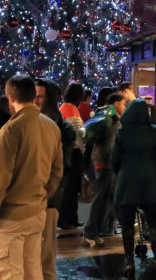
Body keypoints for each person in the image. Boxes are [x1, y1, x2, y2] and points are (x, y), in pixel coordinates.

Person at [0, 74, 63, 280]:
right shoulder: (50, 126)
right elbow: (57, 170)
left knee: (8, 272)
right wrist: (43, 196)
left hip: (9, 218)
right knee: (32, 272)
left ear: (10, 98)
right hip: (36, 213)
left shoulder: (11, 129)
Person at [111, 98, 156, 279]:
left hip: (128, 181)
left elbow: (115, 160)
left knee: (127, 224)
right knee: (153, 221)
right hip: (150, 180)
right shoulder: (154, 132)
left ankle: (129, 262)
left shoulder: (122, 132)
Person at [35, 79, 76, 280]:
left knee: (45, 261)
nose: (34, 101)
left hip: (46, 200)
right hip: (22, 201)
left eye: (39, 96)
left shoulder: (63, 129)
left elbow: (61, 167)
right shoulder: (22, 124)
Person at [82, 93, 126, 247]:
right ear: (115, 103)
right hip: (105, 162)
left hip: (105, 161)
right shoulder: (109, 118)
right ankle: (90, 232)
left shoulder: (108, 117)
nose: (124, 107)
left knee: (111, 197)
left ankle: (102, 229)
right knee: (102, 197)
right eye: (123, 104)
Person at [58, 82, 87, 229]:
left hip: (74, 151)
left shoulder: (68, 108)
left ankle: (71, 218)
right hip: (73, 152)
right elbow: (75, 132)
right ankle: (65, 218)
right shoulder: (68, 108)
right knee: (70, 187)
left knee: (73, 187)